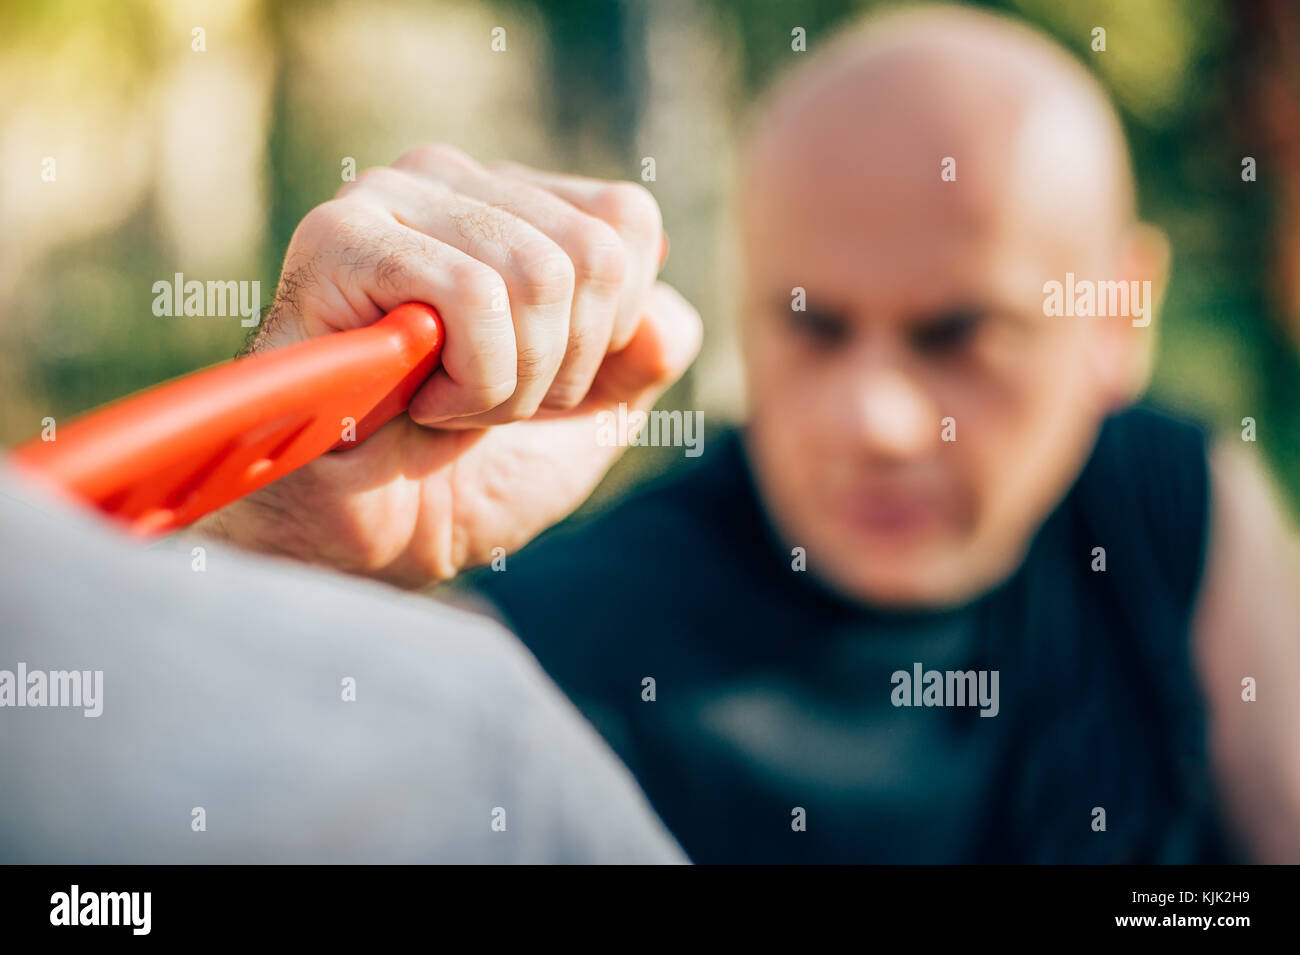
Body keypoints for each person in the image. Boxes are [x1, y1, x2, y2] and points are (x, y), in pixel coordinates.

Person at [194, 7, 1299, 863]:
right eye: (811, 326)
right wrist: (288, 545)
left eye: (958, 332)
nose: (875, 417)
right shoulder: (567, 634)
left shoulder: (1174, 502)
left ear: (1117, 320)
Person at [0, 140, 701, 863]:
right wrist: (270, 550)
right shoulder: (496, 750)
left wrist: (275, 548)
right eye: (809, 326)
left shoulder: (499, 757)